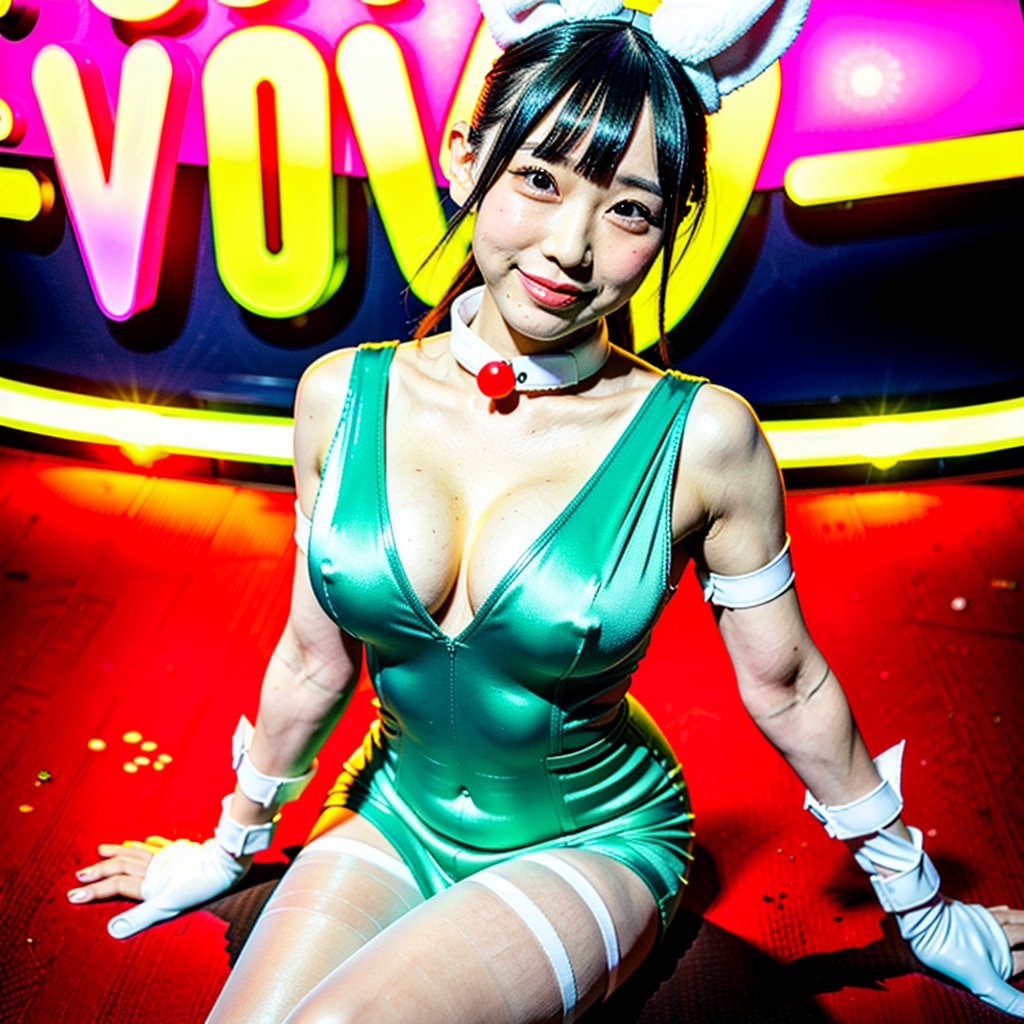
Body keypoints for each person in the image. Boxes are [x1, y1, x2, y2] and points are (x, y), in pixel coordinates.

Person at [66, 2, 1024, 1021]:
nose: (570, 246)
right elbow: (313, 659)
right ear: (464, 157)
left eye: (630, 211)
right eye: (539, 179)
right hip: (391, 811)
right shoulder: (338, 395)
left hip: (592, 841)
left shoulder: (705, 437)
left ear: (670, 228)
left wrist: (922, 907)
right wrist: (230, 844)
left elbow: (787, 687)